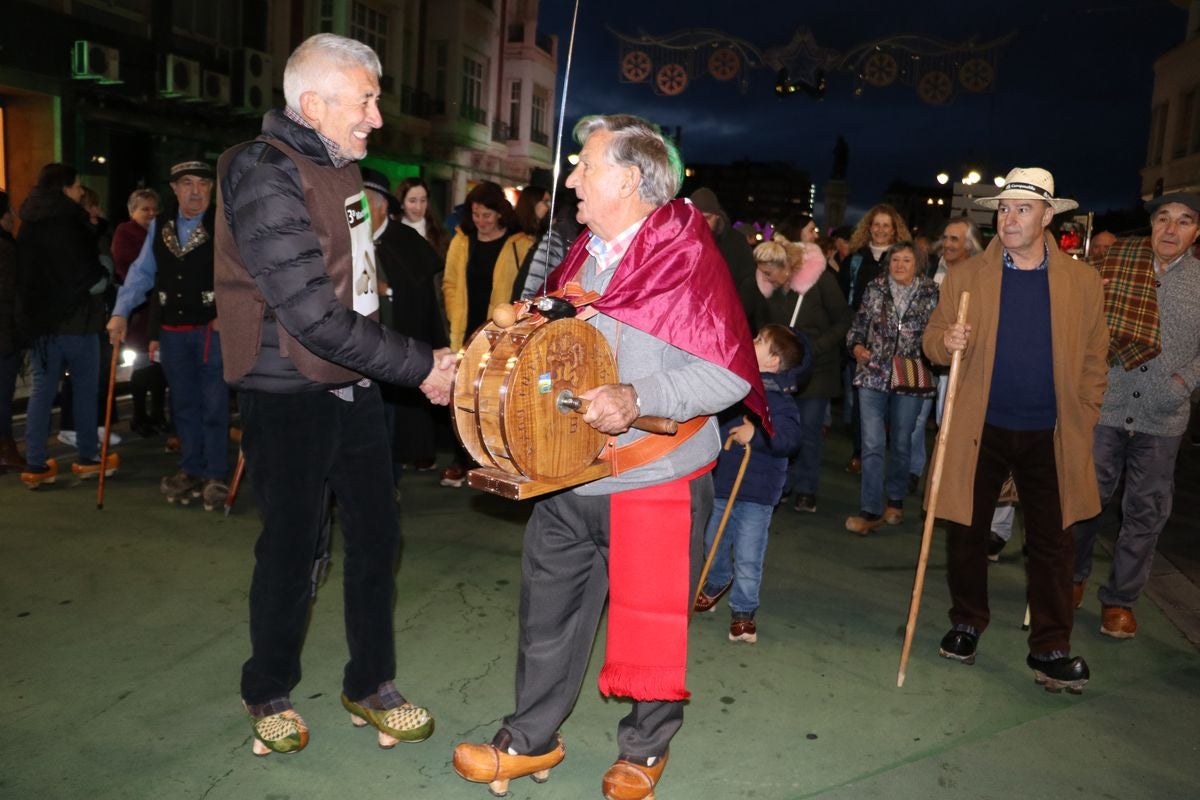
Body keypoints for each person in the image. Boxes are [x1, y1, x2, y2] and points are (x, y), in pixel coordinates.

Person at [451, 114, 765, 800]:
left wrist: (637, 395)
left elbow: (730, 375)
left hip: (656, 477)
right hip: (568, 475)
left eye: (584, 167)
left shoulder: (689, 259)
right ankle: (529, 740)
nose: (570, 179)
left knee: (651, 621)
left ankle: (645, 749)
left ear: (628, 178)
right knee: (547, 617)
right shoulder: (581, 252)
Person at [213, 32, 454, 756]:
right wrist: (422, 366)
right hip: (286, 389)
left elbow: (357, 292)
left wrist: (391, 366)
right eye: (366, 101)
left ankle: (370, 682)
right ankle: (267, 689)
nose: (376, 118)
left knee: (378, 538)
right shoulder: (262, 173)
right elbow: (311, 313)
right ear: (313, 103)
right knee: (292, 546)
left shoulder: (342, 167)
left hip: (355, 385)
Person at [923, 167, 1107, 693]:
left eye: (1022, 209)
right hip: (980, 424)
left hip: (1051, 431)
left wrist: (1086, 412)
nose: (1009, 218)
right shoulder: (966, 277)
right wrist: (946, 343)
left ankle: (1051, 648)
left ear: (1048, 217)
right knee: (967, 528)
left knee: (1053, 541)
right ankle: (966, 623)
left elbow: (1096, 357)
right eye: (1004, 209)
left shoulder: (1081, 281)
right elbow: (932, 341)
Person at [1073, 192, 1200, 638]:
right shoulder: (1118, 265)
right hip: (1108, 405)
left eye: (1183, 221)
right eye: (1163, 218)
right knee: (1086, 497)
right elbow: (1080, 322)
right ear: (1151, 225)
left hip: (1162, 418)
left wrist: (1184, 382)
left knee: (1146, 512)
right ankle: (1071, 579)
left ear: (1196, 231)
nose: (1170, 228)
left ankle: (1120, 600)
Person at [107, 160, 230, 509]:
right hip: (173, 332)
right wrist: (120, 312)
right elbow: (141, 273)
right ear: (173, 189)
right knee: (184, 403)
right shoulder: (159, 226)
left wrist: (229, 313)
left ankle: (217, 473)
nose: (195, 190)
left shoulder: (225, 224)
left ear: (212, 188)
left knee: (214, 404)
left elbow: (245, 274)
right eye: (187, 183)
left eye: (203, 184)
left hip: (211, 331)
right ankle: (191, 469)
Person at [694, 323, 804, 643]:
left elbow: (789, 440)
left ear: (773, 361)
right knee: (711, 541)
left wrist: (756, 435)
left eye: (759, 341)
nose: (751, 341)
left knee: (748, 555)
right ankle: (716, 581)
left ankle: (743, 611)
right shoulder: (739, 388)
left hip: (757, 494)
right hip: (724, 484)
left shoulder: (781, 401)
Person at [14, 163, 116, 488]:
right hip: (78, 321)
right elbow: (87, 274)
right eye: (76, 186)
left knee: (42, 392)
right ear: (65, 187)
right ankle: (87, 458)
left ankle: (34, 463)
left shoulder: (28, 223)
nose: (78, 192)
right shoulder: (70, 222)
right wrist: (104, 273)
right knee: (85, 389)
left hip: (42, 326)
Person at [441, 180, 533, 487]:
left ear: (500, 214)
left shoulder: (520, 243)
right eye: (476, 214)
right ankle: (460, 459)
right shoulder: (462, 241)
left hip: (499, 334)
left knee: (494, 398)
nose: (481, 220)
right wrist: (455, 311)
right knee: (461, 395)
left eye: (487, 215)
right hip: (464, 329)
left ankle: (494, 459)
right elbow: (450, 283)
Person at [844, 241, 938, 533]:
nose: (899, 265)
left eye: (906, 260)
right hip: (872, 373)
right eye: (895, 259)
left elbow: (937, 333)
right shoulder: (875, 288)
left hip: (909, 375)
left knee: (901, 441)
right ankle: (870, 509)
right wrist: (856, 346)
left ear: (917, 264)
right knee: (872, 444)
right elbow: (858, 325)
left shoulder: (931, 292)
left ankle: (895, 499)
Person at [362, 167, 448, 480]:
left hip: (399, 344)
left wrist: (387, 289)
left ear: (382, 206)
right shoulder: (348, 238)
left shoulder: (405, 240)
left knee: (392, 420)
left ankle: (389, 479)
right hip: (359, 346)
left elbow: (423, 295)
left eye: (364, 204)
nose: (357, 212)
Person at [840, 204, 911, 475]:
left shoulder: (903, 259)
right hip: (861, 342)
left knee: (895, 404)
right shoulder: (855, 259)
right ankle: (862, 454)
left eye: (886, 225)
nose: (881, 230)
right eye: (876, 224)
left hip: (896, 344)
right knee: (860, 402)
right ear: (869, 227)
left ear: (894, 230)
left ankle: (889, 456)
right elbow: (843, 301)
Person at [111, 188, 168, 438]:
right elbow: (130, 269)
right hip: (141, 310)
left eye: (154, 209)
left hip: (159, 310)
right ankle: (139, 414)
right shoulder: (126, 233)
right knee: (143, 365)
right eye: (145, 209)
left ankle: (157, 412)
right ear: (132, 210)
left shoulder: (161, 232)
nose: (151, 214)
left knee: (159, 366)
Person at [690, 186, 757, 287]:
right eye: (696, 217)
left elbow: (748, 282)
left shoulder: (737, 243)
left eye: (707, 218)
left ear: (717, 215)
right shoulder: (682, 242)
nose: (702, 223)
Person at [0, 190, 22, 471]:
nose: (13, 215)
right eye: (9, 209)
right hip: (4, 331)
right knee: (3, 394)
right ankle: (6, 448)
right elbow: (9, 291)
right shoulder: (5, 247)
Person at [396, 176, 448, 256]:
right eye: (412, 201)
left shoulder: (438, 235)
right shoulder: (392, 232)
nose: (418, 207)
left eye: (423, 200)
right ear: (402, 203)